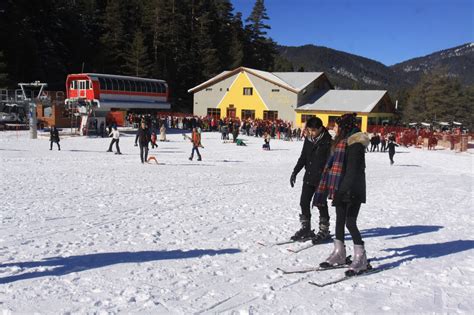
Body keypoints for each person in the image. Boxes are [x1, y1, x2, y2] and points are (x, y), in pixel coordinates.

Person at [314, 113, 370, 276]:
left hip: (353, 189)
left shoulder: (355, 144)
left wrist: (342, 190)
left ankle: (361, 257)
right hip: (341, 188)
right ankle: (340, 253)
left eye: (336, 125)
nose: (334, 128)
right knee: (339, 221)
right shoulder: (340, 142)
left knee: (350, 223)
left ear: (344, 127)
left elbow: (352, 171)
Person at [290, 117, 332, 243]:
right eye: (309, 130)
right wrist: (295, 171)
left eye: (313, 130)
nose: (311, 133)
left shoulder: (328, 141)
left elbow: (329, 163)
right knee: (304, 202)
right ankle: (306, 228)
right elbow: (303, 157)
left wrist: (327, 178)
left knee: (320, 204)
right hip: (308, 176)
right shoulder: (308, 140)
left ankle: (324, 230)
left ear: (320, 128)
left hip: (322, 179)